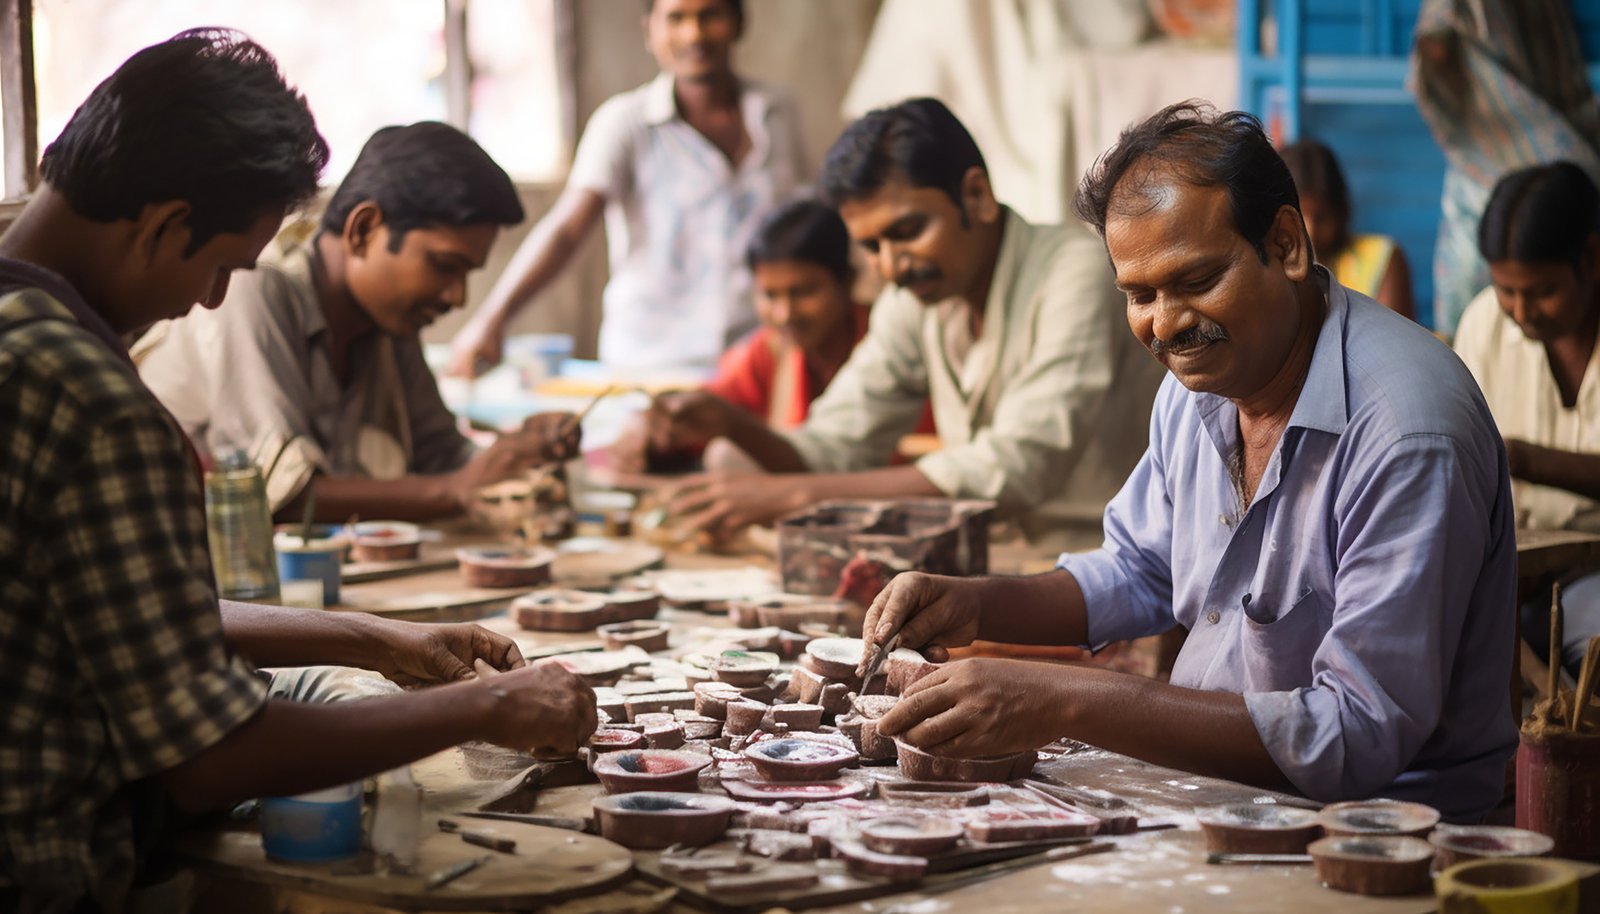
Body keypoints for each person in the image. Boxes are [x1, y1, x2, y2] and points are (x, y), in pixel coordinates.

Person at [0, 31, 596, 909]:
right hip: (51, 864)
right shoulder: (94, 400)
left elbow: (120, 614)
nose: (207, 300)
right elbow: (210, 758)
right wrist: (489, 709)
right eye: (218, 267)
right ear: (166, 224)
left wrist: (371, 637)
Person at [859, 103, 1517, 821]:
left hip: (1381, 833)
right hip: (1216, 797)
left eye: (1196, 280)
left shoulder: (1407, 431)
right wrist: (976, 603)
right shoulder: (1200, 388)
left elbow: (1353, 735)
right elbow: (1137, 569)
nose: (1165, 324)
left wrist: (1064, 697)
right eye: (1139, 295)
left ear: (1288, 244)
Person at [660, 97, 1164, 551]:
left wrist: (793, 495)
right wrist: (732, 424)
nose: (891, 265)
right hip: (989, 565)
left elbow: (1014, 466)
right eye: (872, 246)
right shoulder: (917, 298)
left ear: (976, 196)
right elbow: (833, 444)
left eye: (907, 231)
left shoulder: (1073, 269)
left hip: (1107, 572)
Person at [138, 121, 577, 523]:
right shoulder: (253, 289)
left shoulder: (389, 322)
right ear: (364, 229)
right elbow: (283, 497)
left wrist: (516, 453)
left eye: (467, 275)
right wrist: (456, 490)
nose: (456, 297)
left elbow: (440, 457)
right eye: (445, 266)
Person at [447, 0, 808, 376]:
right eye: (676, 18)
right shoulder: (626, 124)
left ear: (738, 23)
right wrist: (492, 319)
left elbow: (803, 225)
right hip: (652, 366)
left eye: (710, 16)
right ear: (649, 31)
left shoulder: (777, 111)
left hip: (759, 361)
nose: (693, 34)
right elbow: (567, 231)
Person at [615, 199, 932, 472]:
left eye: (804, 292)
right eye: (769, 295)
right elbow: (702, 420)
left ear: (846, 282)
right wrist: (649, 430)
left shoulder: (896, 345)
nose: (785, 314)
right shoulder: (766, 354)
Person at [1455, 161, 1600, 679]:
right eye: (1507, 290)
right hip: (1498, 576)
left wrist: (1524, 459)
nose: (1521, 310)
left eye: (1541, 291)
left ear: (1591, 257)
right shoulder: (1483, 324)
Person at [1279, 138, 1417, 321]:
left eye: (1321, 217)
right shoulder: (1271, 270)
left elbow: (1394, 342)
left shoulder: (1382, 258)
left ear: (1340, 211)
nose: (1310, 231)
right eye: (1299, 217)